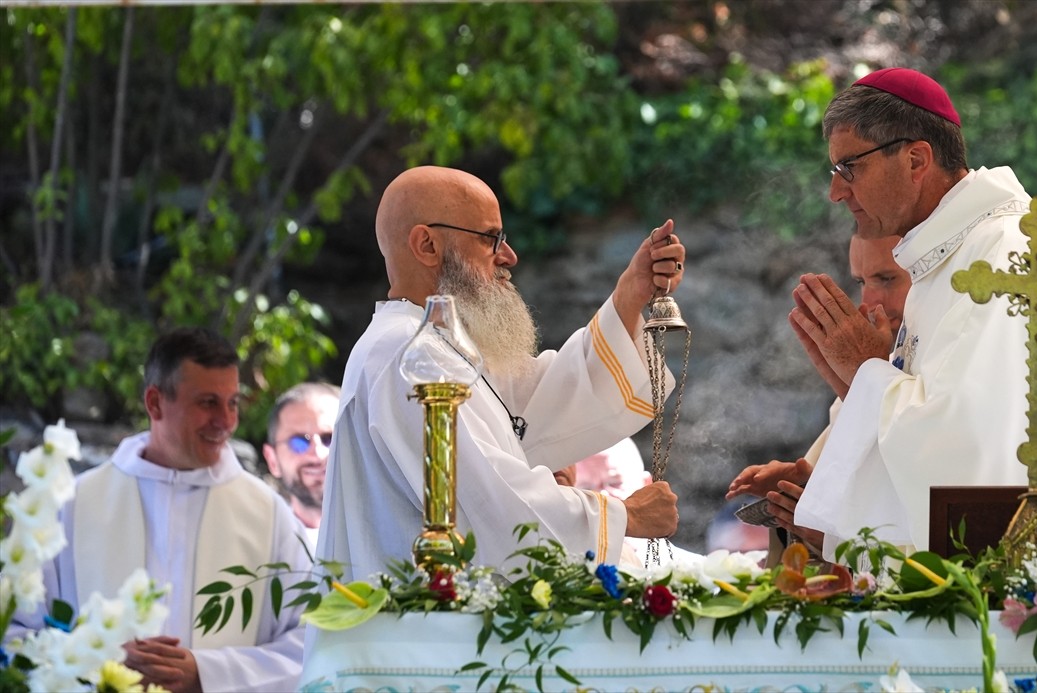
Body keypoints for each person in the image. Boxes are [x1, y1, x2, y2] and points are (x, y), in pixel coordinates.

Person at [783, 67, 1037, 558]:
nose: (837, 191)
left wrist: (865, 370)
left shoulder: (1006, 256)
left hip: (1015, 576)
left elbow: (963, 448)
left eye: (849, 168)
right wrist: (856, 387)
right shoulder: (947, 259)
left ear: (916, 159)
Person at [318, 166, 684, 579]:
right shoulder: (406, 354)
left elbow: (539, 402)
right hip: (421, 616)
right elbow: (486, 501)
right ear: (427, 245)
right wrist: (622, 516)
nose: (509, 256)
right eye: (490, 238)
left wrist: (630, 295)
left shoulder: (439, 346)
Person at [9, 327, 311, 691]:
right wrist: (96, 662)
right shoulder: (73, 505)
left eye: (232, 403)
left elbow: (311, 641)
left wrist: (208, 673)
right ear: (154, 403)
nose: (226, 421)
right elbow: (14, 630)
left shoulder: (269, 515)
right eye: (208, 403)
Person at [725, 234, 910, 553]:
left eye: (887, 279)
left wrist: (834, 539)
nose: (870, 303)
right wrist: (807, 487)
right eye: (861, 282)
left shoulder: (946, 372)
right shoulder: (884, 371)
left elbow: (924, 496)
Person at [262, 381, 341, 548]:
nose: (318, 454)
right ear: (272, 460)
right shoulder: (261, 547)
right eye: (299, 442)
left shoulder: (391, 531)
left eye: (330, 438)